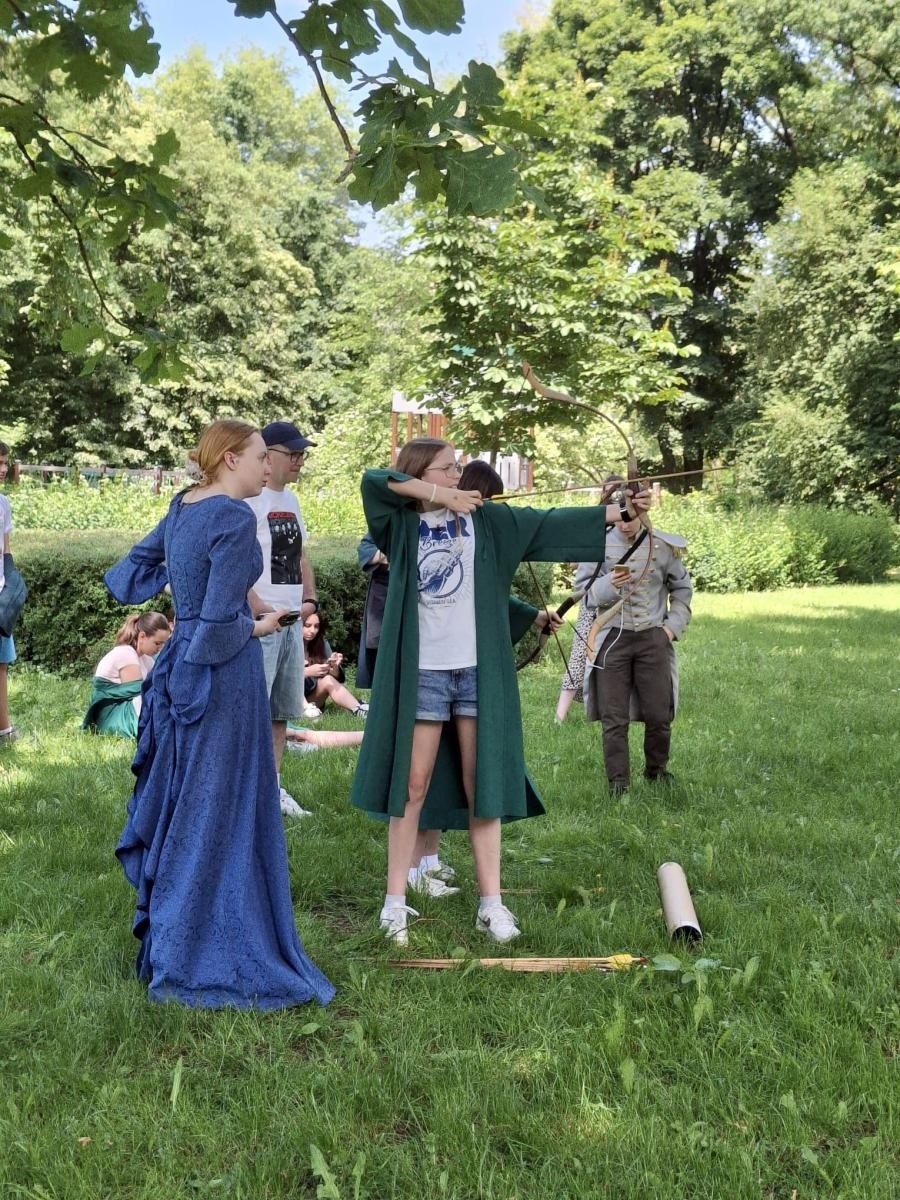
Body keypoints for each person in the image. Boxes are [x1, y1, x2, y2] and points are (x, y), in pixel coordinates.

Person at [351, 437, 649, 946]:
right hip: (422, 672)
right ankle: (393, 905)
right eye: (448, 469)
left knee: (481, 785)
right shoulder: (398, 526)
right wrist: (439, 496)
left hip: (476, 673)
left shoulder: (488, 522)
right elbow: (374, 482)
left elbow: (552, 522)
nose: (458, 475)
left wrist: (623, 509)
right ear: (422, 474)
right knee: (412, 787)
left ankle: (492, 905)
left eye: (457, 469)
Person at [105, 418, 334, 1010]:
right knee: (221, 806)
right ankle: (201, 948)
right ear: (230, 458)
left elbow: (131, 574)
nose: (267, 466)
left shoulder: (183, 505)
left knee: (188, 799)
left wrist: (197, 620)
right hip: (221, 677)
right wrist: (256, 626)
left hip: (179, 668)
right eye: (259, 457)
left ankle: (172, 937)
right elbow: (215, 626)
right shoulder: (232, 517)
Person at [582, 508, 693, 795]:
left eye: (629, 517)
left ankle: (657, 772)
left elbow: (682, 589)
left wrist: (670, 629)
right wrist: (608, 584)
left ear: (640, 513)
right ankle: (618, 784)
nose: (624, 524)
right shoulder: (595, 547)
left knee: (659, 713)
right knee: (613, 717)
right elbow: (584, 594)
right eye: (618, 518)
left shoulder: (662, 546)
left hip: (652, 638)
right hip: (612, 639)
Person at [245, 420, 318, 818]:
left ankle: (272, 788)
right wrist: (259, 607)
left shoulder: (291, 500)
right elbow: (234, 563)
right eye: (292, 454)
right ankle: (247, 792)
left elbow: (301, 554)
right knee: (253, 713)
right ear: (267, 455)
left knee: (279, 714)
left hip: (290, 623)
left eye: (301, 454)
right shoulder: (248, 500)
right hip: (262, 624)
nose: (299, 461)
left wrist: (310, 598)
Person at [554, 475, 626, 723]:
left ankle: (607, 711)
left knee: (614, 659)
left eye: (617, 492)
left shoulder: (628, 526)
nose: (613, 497)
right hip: (593, 602)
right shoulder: (596, 525)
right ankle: (559, 717)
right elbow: (578, 564)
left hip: (620, 605)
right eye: (610, 492)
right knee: (579, 657)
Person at [82, 612, 171, 738]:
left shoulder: (146, 658)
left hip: (128, 709)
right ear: (142, 636)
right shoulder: (126, 653)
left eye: (163, 644)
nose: (160, 648)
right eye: (157, 643)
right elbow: (140, 693)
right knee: (153, 697)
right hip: (112, 716)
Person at [301, 610, 367, 718]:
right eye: (307, 626)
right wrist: (306, 672)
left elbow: (337, 678)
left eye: (316, 626)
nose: (312, 631)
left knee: (328, 680)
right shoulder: (287, 645)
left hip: (313, 698)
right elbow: (281, 679)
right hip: (290, 701)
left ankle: (358, 709)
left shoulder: (321, 643)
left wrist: (334, 666)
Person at [0, 441, 19, 744]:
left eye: (4, 463)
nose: (3, 469)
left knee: (1, 662)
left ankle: (4, 730)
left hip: (1, 594)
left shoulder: (3, 503)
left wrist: (13, 583)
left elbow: (6, 549)